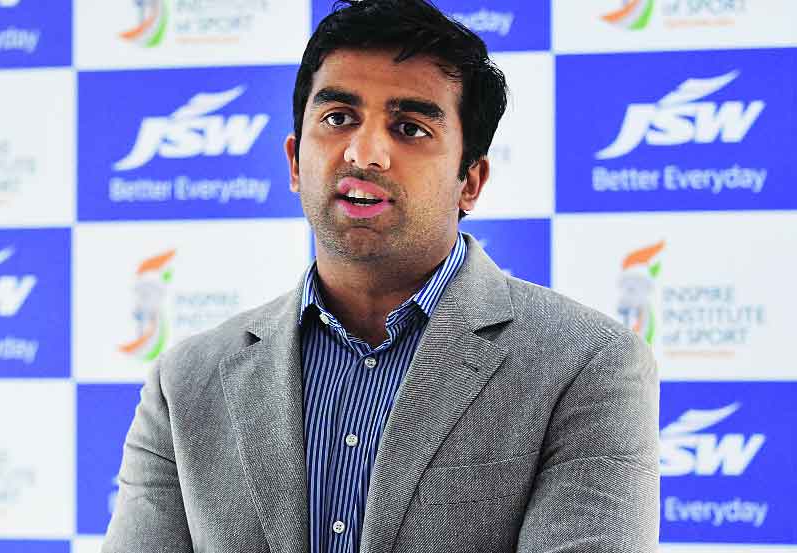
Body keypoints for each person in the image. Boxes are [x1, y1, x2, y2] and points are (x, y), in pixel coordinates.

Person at [103, 1, 659, 551]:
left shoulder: (585, 362)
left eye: (410, 128)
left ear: (470, 181)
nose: (364, 153)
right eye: (338, 119)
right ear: (295, 162)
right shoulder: (187, 380)